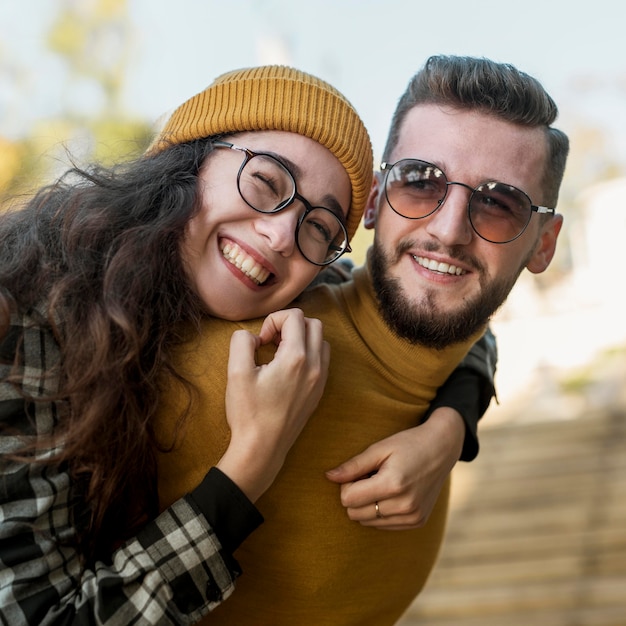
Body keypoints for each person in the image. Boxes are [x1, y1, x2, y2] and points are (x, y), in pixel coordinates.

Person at [0, 65, 492, 625]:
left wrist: (448, 431)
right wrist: (252, 461)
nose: (283, 234)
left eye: (319, 227)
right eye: (266, 182)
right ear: (188, 162)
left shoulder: (305, 289)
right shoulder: (27, 322)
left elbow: (444, 316)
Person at [154, 55, 568, 625]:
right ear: (374, 200)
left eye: (498, 205)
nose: (447, 230)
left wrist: (453, 423)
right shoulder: (240, 365)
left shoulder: (438, 400)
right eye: (420, 182)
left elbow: (466, 336)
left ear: (543, 243)